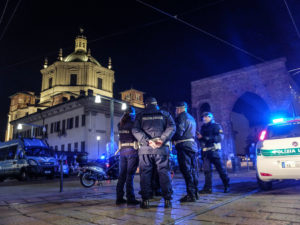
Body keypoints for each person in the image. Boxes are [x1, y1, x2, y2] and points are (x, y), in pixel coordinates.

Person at [132, 97, 176, 209]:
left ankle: (146, 200)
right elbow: (172, 127)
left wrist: (147, 141)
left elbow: (135, 130)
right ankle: (167, 200)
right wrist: (162, 139)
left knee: (145, 174)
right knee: (164, 173)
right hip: (161, 148)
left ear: (145, 105)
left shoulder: (140, 115)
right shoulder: (165, 114)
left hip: (145, 149)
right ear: (156, 104)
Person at [197, 112, 230, 194]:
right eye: (203, 117)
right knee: (207, 171)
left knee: (220, 170)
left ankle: (226, 185)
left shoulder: (216, 126)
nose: (204, 119)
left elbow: (219, 138)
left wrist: (205, 138)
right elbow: (202, 139)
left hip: (214, 151)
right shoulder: (203, 127)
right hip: (206, 152)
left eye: (205, 117)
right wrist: (199, 138)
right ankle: (208, 188)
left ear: (210, 117)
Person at [173, 102, 199, 202]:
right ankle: (195, 193)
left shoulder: (181, 117)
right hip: (192, 146)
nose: (176, 111)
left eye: (176, 109)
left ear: (179, 109)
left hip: (184, 146)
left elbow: (179, 132)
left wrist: (171, 138)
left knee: (186, 171)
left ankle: (191, 195)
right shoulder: (191, 118)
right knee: (193, 170)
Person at [116, 106, 140, 205]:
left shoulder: (120, 124)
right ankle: (131, 198)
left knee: (122, 175)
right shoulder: (134, 124)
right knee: (130, 175)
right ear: (132, 114)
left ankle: (119, 198)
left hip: (122, 152)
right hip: (132, 152)